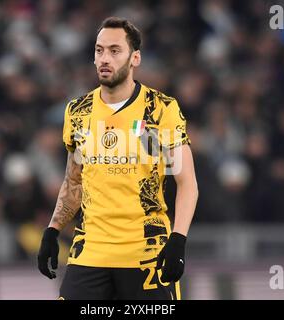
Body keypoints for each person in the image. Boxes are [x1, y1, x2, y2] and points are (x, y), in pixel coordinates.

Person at [37, 17, 199, 300]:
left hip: (146, 251)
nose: (104, 58)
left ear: (135, 58)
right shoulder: (78, 112)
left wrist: (178, 239)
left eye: (114, 50)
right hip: (91, 250)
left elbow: (187, 183)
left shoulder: (161, 110)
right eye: (99, 50)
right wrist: (53, 229)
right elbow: (74, 180)